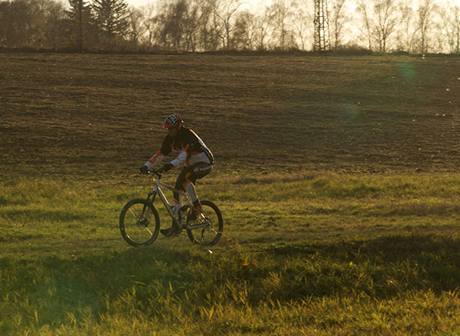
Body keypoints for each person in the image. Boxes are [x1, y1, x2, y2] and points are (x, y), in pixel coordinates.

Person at [140, 114, 214, 236]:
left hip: (205, 163)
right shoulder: (170, 138)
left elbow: (183, 155)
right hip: (191, 164)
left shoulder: (188, 135)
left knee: (183, 179)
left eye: (172, 129)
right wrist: (146, 165)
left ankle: (192, 212)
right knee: (179, 187)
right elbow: (160, 154)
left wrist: (170, 165)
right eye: (168, 129)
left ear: (178, 127)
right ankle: (180, 220)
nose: (169, 132)